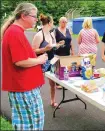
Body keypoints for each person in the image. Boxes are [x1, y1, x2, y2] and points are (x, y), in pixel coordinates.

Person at [1, 2, 48, 130]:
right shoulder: (15, 33)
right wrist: (39, 60)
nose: (36, 19)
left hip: (25, 88)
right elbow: (20, 61)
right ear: (23, 16)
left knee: (30, 123)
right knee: (30, 125)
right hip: (24, 89)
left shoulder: (15, 31)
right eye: (34, 16)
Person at [32, 14, 63, 107]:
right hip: (41, 62)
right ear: (49, 23)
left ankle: (53, 101)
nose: (53, 24)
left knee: (52, 83)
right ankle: (35, 103)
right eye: (53, 22)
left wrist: (58, 44)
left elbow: (52, 47)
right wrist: (44, 49)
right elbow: (33, 51)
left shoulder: (51, 34)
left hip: (51, 61)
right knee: (37, 84)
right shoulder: (39, 35)